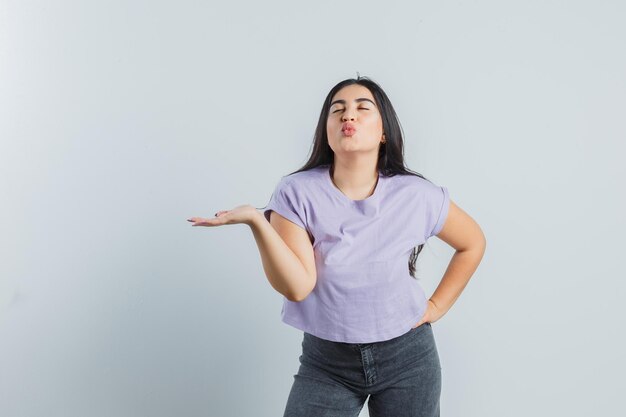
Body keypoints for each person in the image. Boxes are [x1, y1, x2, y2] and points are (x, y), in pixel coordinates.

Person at [187, 75, 486, 417]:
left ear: (384, 131)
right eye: (337, 110)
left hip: (409, 358)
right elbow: (298, 287)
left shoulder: (417, 195)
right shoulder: (295, 192)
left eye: (363, 108)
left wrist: (435, 307)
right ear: (326, 130)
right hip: (327, 364)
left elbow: (473, 243)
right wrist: (257, 222)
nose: (348, 116)